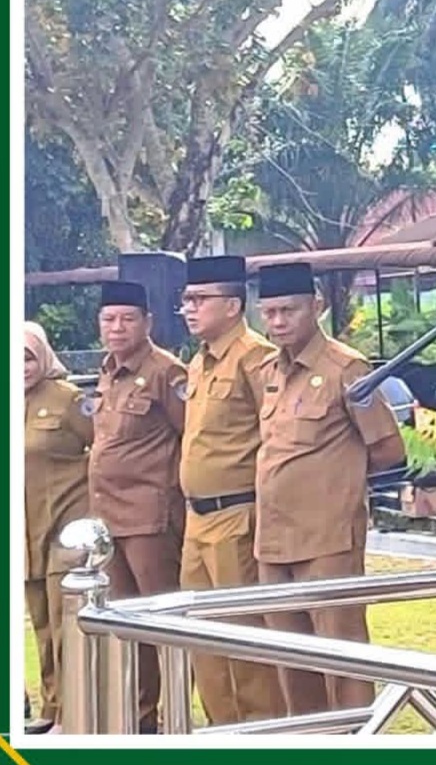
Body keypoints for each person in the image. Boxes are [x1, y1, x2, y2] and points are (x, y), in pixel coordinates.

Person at [254, 263, 405, 715]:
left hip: (327, 538)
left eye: (289, 310)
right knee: (290, 657)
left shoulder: (345, 367)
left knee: (342, 656)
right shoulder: (269, 370)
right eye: (270, 313)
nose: (279, 322)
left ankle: (355, 737)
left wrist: (337, 481)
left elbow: (387, 447)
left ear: (316, 306)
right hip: (273, 538)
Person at [177, 255, 287, 724]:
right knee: (202, 636)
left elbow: (276, 434)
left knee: (243, 636)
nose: (189, 308)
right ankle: (221, 729)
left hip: (237, 514)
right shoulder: (199, 362)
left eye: (200, 299)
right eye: (186, 300)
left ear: (233, 305)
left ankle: (260, 732)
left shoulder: (255, 357)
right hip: (196, 518)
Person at [88, 280, 187, 733]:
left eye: (128, 319)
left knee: (162, 620)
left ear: (148, 322)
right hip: (107, 519)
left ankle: (177, 718)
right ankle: (140, 720)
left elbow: (190, 436)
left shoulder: (167, 372)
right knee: (126, 623)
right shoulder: (107, 371)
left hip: (150, 517)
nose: (117, 327)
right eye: (109, 319)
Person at [22, 320, 94, 735]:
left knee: (65, 618)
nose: (21, 368)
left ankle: (72, 712)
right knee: (41, 623)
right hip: (25, 528)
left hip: (65, 524)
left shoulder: (69, 399)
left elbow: (101, 446)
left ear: (44, 357)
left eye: (28, 358)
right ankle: (51, 707)